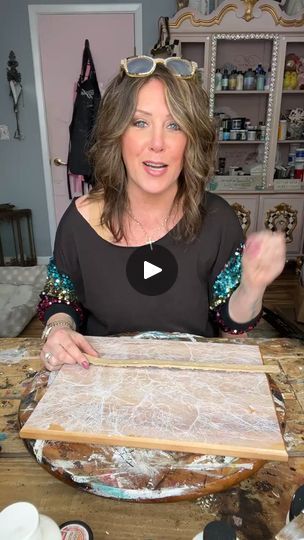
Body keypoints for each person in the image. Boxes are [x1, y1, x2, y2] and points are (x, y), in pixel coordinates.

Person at [39, 55, 286, 371]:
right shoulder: (79, 221)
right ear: (118, 133)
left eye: (175, 125)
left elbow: (231, 327)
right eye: (140, 122)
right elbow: (61, 298)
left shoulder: (217, 219)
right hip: (103, 384)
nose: (157, 143)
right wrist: (59, 330)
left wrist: (253, 286)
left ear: (191, 139)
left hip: (190, 388)